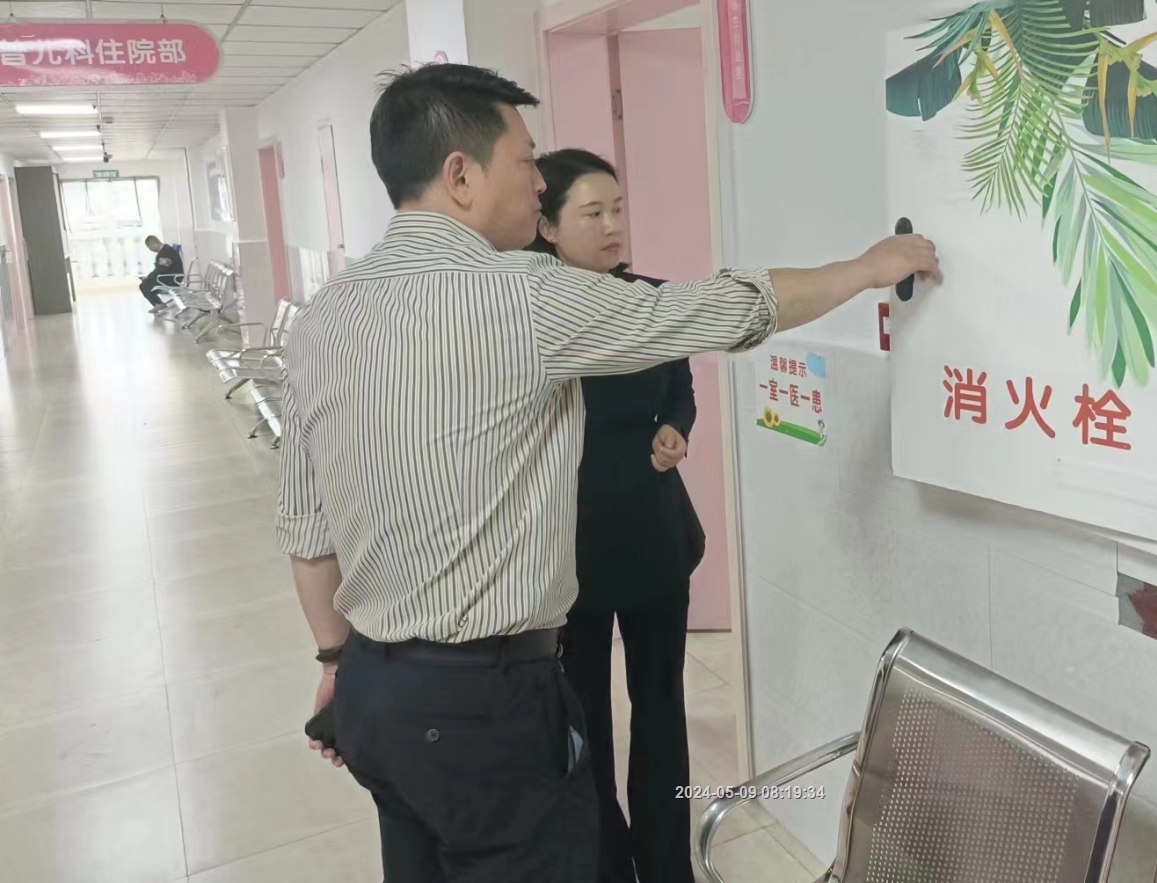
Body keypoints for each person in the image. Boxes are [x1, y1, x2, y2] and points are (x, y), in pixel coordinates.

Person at [276, 62, 938, 883]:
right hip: (483, 704)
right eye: (526, 161)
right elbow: (714, 308)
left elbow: (306, 531)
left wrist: (334, 663)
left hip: (374, 692)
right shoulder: (522, 295)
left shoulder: (324, 316)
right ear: (460, 175)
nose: (537, 182)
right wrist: (866, 267)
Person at [528, 148, 701, 883]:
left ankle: (666, 863)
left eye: (618, 209)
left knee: (661, 707)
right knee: (585, 718)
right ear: (547, 226)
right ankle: (604, 861)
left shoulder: (651, 301)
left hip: (655, 539)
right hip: (570, 552)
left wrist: (675, 428)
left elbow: (681, 387)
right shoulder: (531, 319)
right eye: (592, 212)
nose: (611, 226)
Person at [139, 235, 184, 310]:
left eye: (150, 247)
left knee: (144, 285)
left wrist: (148, 277)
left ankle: (158, 304)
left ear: (154, 244)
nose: (150, 250)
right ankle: (158, 304)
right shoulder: (166, 251)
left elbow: (161, 270)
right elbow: (161, 269)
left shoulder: (166, 253)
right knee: (147, 284)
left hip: (172, 278)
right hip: (169, 276)